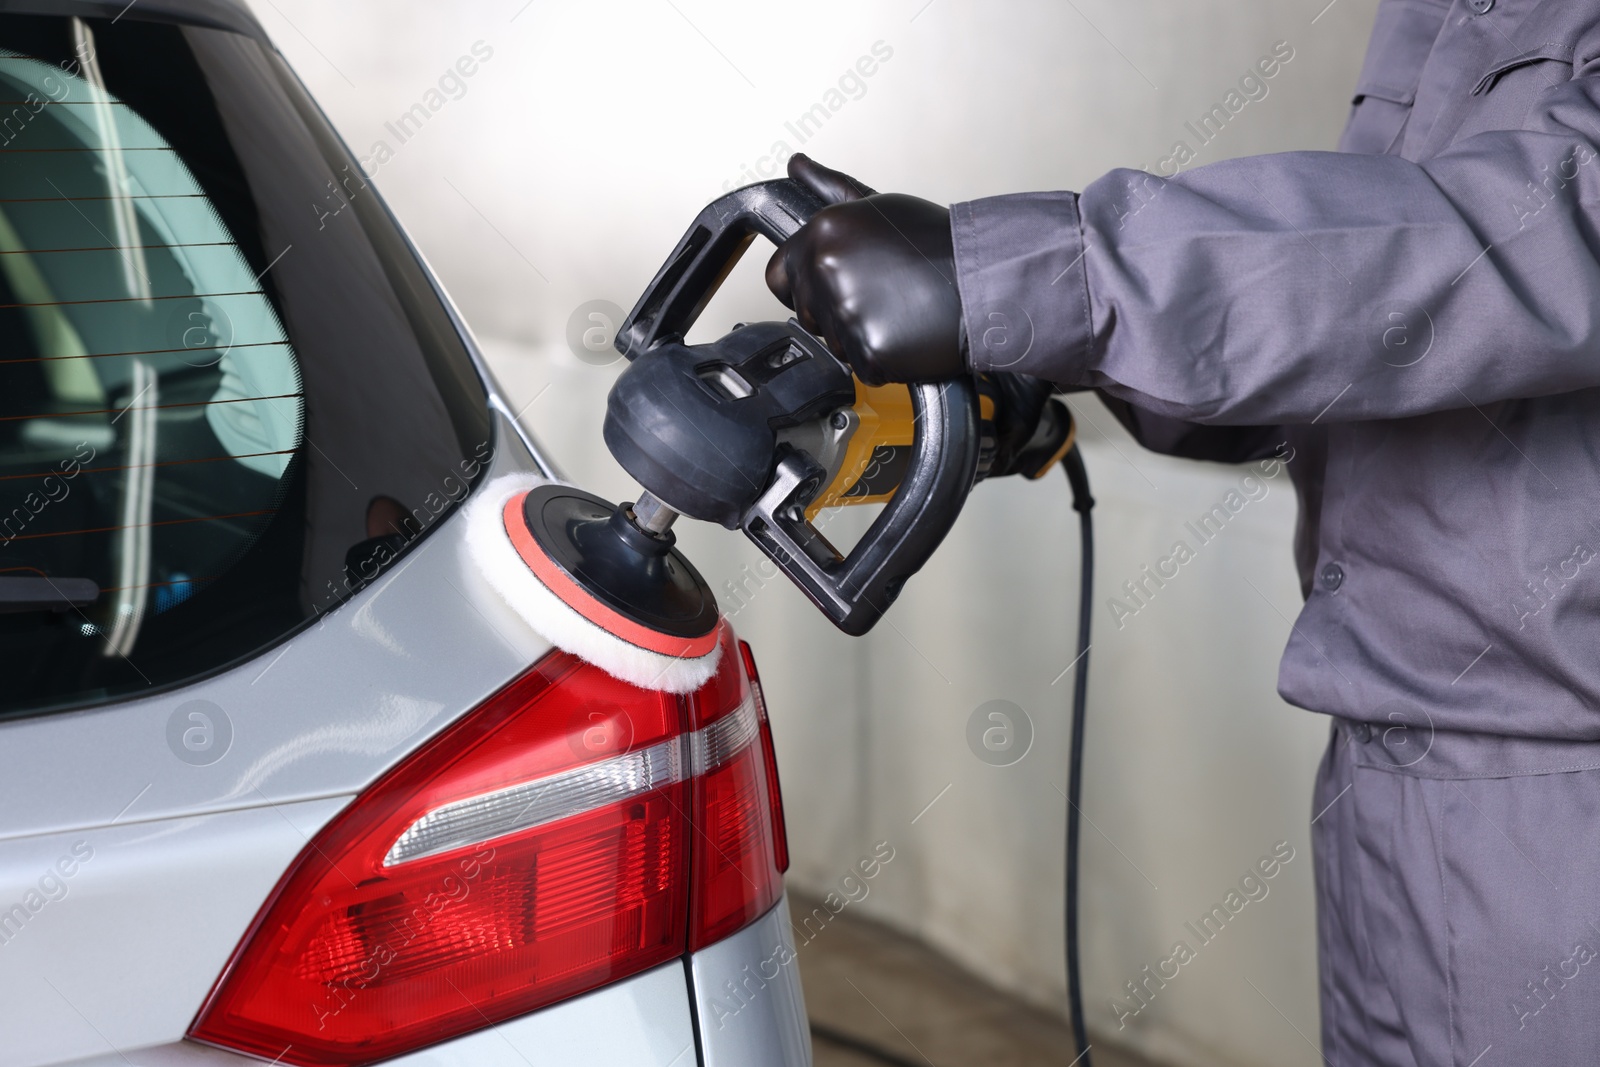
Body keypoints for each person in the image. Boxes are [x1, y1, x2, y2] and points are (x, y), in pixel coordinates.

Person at [764, 4, 1600, 1064]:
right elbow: (1386, 328)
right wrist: (1030, 350)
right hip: (1389, 760)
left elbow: (1540, 228)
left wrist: (1050, 275)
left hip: (1559, 807)